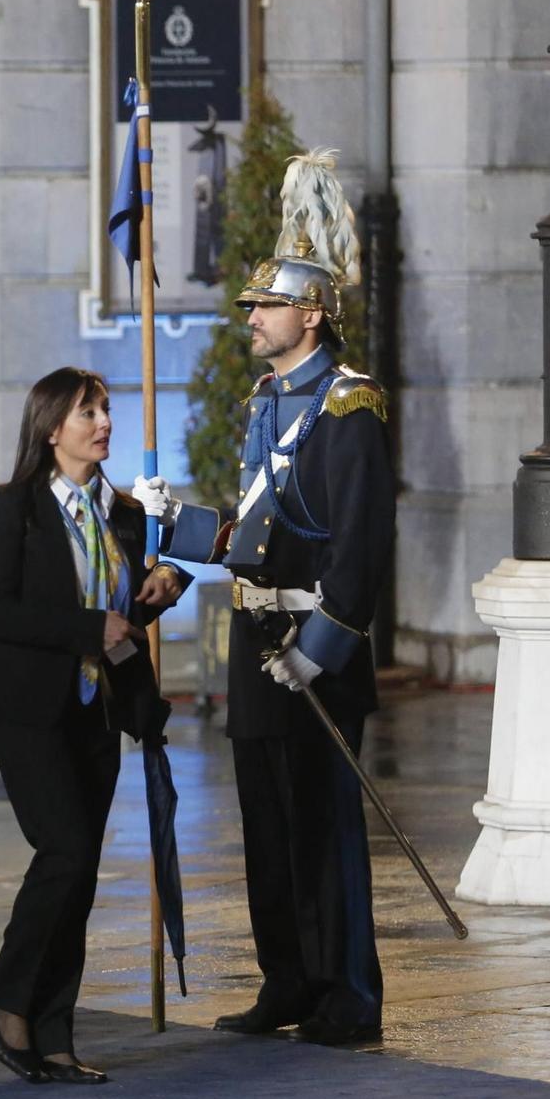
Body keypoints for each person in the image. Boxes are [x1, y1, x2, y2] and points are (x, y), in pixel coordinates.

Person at [135, 148, 395, 1047]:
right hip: (255, 640)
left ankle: (348, 996)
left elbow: (360, 552)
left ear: (312, 314)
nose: (252, 315)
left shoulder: (350, 408)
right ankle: (286, 978)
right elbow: (253, 532)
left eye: (268, 303)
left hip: (311, 649)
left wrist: (317, 648)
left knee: (323, 825)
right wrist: (170, 534)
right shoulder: (262, 402)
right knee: (266, 825)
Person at [0, 368, 191, 1084]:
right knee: (63, 850)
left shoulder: (121, 513)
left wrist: (159, 592)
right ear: (50, 427)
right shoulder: (12, 511)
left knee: (81, 871)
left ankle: (54, 1029)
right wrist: (90, 626)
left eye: (104, 409)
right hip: (31, 708)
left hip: (101, 709)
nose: (102, 421)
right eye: (86, 411)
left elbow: (124, 611)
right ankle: (8, 1001)